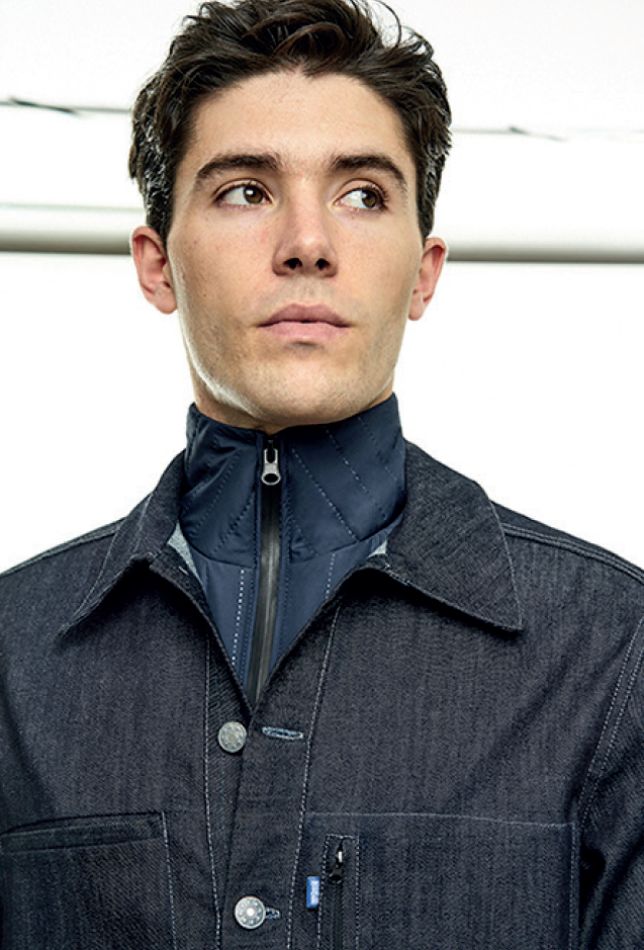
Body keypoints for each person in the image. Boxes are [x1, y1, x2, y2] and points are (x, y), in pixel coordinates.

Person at [0, 0, 641, 945]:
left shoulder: (612, 648)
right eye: (244, 191)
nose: (307, 243)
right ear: (157, 264)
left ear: (423, 272)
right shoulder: (13, 656)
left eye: (363, 195)